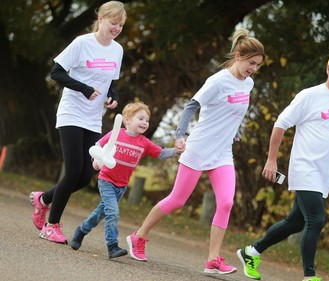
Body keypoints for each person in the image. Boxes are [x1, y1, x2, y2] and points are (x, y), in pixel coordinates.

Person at [126, 28, 265, 275]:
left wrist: (237, 129)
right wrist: (180, 135)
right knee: (177, 200)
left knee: (226, 202)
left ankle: (213, 259)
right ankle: (138, 236)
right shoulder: (218, 81)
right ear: (238, 56)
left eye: (257, 65)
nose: (253, 69)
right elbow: (191, 106)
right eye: (251, 63)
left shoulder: (249, 83)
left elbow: (236, 111)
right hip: (199, 148)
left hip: (222, 153)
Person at [236, 50, 329, 281]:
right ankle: (309, 276)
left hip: (324, 175)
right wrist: (272, 159)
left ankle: (251, 252)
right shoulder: (310, 95)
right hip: (305, 167)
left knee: (296, 221)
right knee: (316, 220)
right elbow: (281, 124)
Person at [29, 1, 127, 244]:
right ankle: (51, 225)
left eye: (121, 25)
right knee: (72, 170)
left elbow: (111, 84)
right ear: (101, 18)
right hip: (72, 113)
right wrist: (83, 89)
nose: (116, 28)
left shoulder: (117, 50)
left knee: (84, 176)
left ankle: (43, 200)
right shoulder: (82, 43)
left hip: (94, 119)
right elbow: (57, 72)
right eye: (113, 23)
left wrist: (113, 97)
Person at [69, 102, 182, 259]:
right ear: (127, 120)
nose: (145, 122)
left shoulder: (144, 143)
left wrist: (177, 151)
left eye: (147, 120)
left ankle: (81, 231)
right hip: (106, 180)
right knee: (113, 213)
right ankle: (112, 246)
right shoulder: (115, 134)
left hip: (121, 186)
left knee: (100, 213)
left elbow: (162, 153)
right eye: (141, 118)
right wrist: (96, 160)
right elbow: (97, 146)